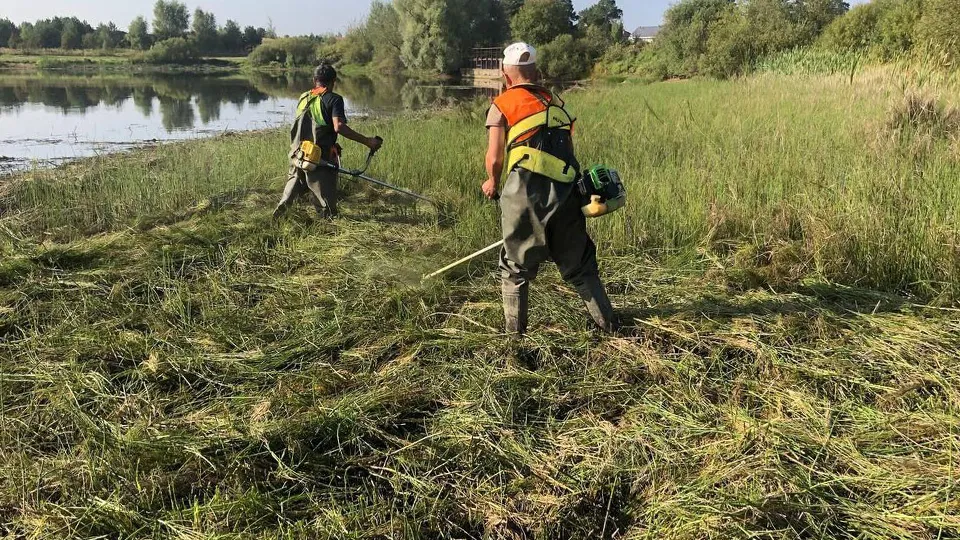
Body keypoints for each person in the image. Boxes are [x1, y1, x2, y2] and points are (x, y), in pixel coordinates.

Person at [482, 42, 617, 335]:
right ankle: (611, 327)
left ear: (506, 75)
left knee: (515, 270)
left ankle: (514, 340)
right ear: (536, 72)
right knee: (581, 266)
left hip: (524, 198)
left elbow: (495, 157)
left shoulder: (503, 104)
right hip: (567, 195)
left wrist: (491, 181)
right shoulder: (555, 104)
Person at [274, 63, 383, 219]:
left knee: (292, 189)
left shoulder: (304, 97)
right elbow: (338, 126)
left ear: (314, 80)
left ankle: (279, 218)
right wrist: (367, 141)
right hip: (319, 157)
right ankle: (327, 226)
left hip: (298, 154)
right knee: (325, 204)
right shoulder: (334, 99)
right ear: (334, 81)